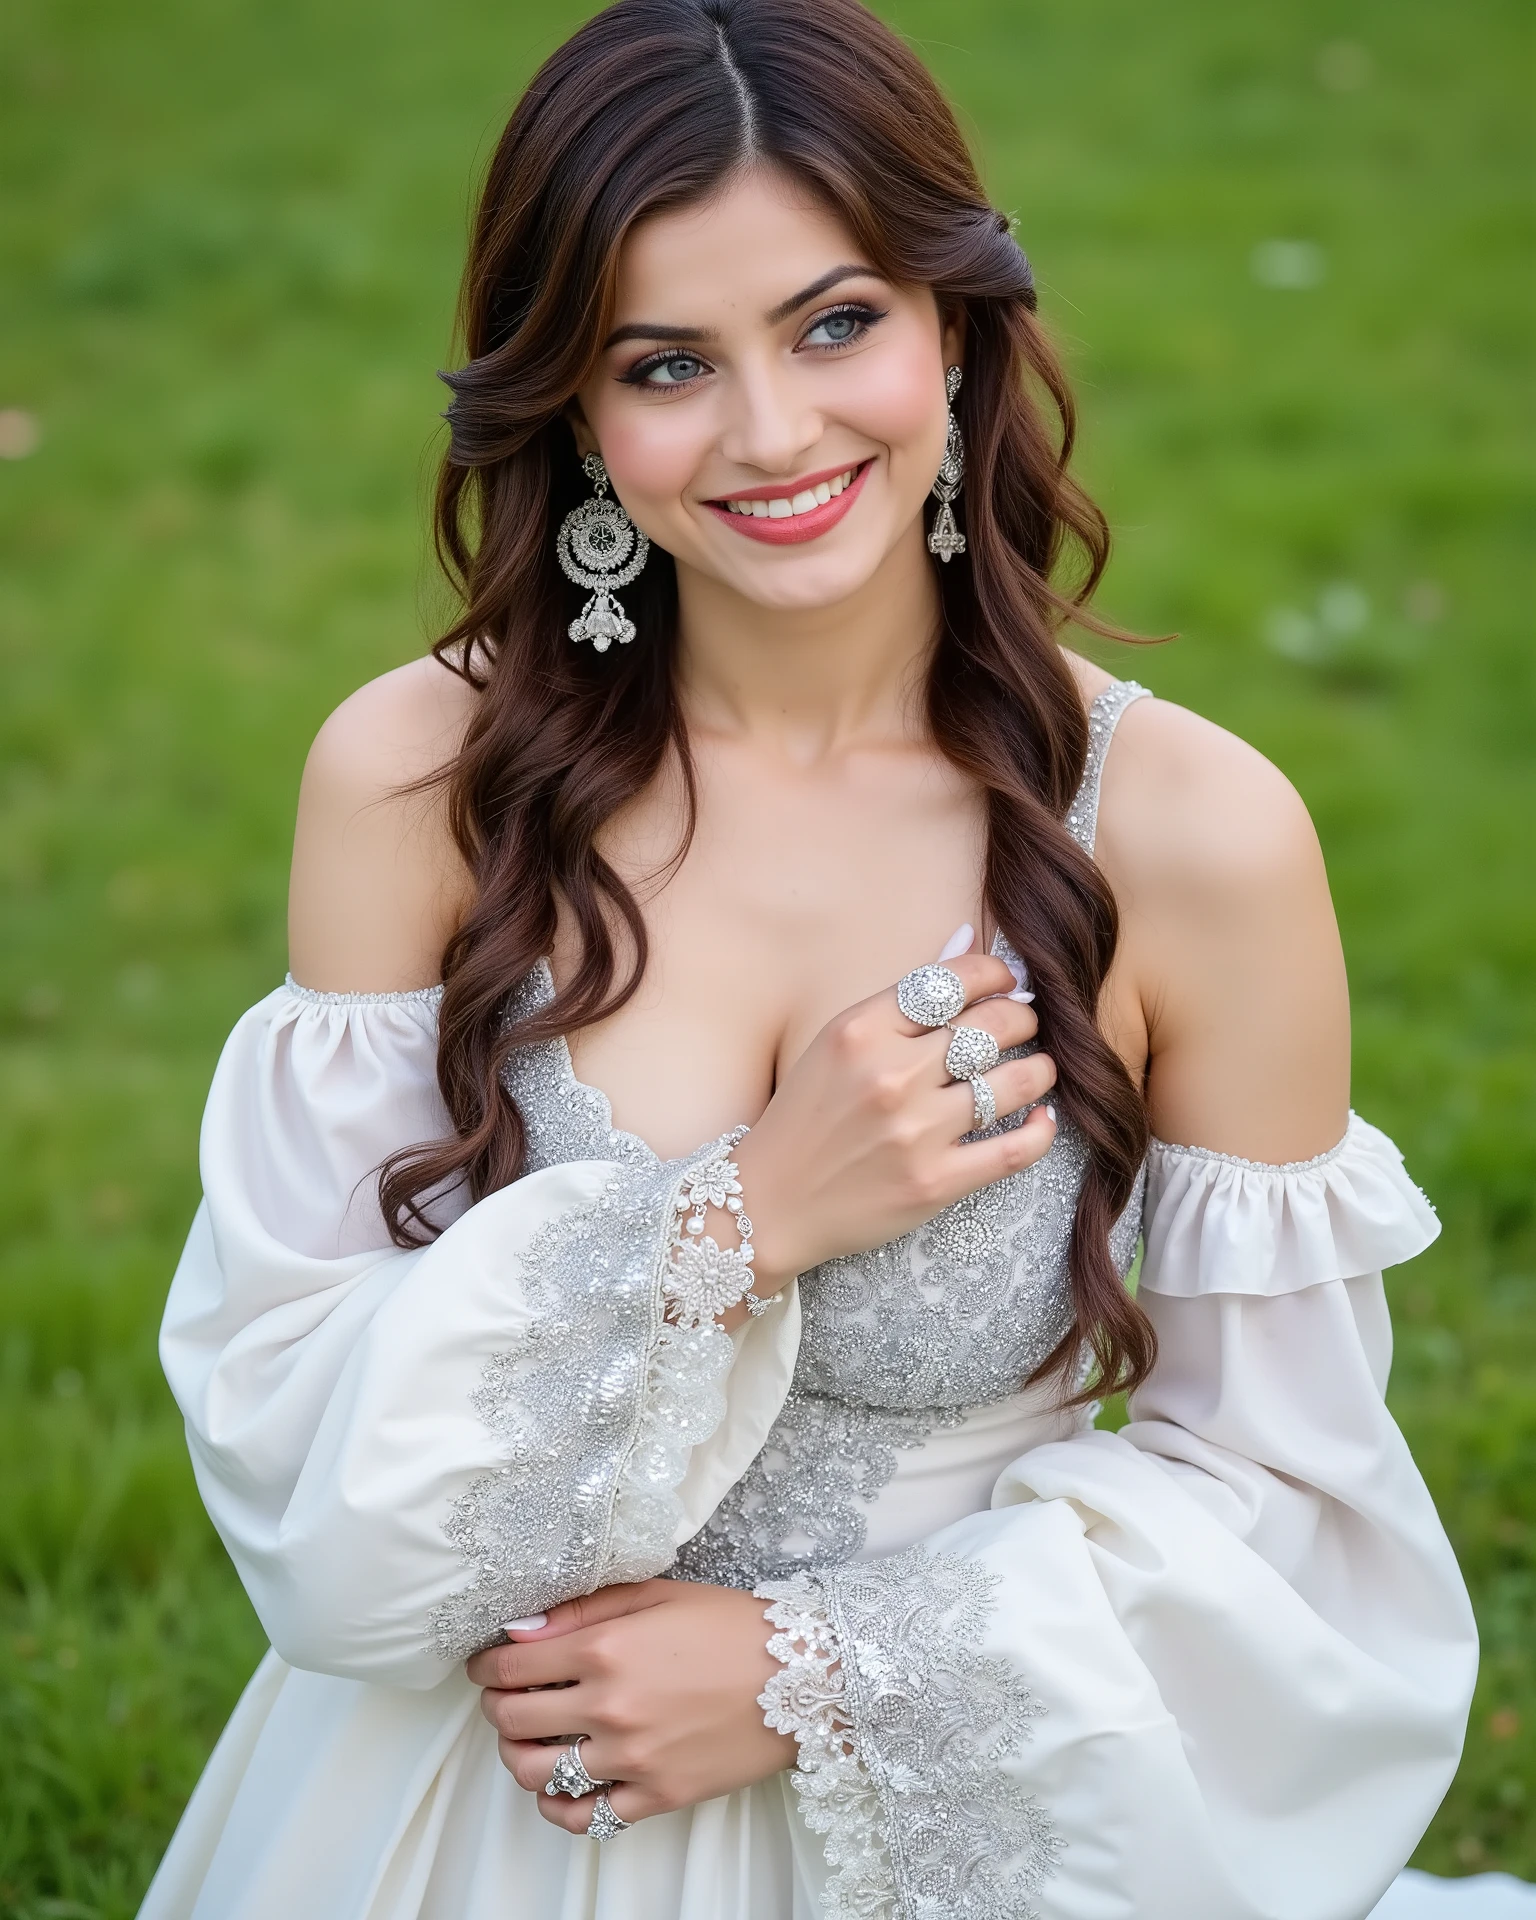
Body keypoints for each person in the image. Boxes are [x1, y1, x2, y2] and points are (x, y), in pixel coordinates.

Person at [141, 2, 1480, 1915]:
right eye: (667, 364)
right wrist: (740, 1218)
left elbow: (1301, 1536)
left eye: (837, 323)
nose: (772, 434)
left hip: (957, 1791)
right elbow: (293, 1460)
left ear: (958, 325)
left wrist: (803, 1677)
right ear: (577, 414)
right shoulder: (414, 783)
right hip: (475, 1801)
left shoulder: (1193, 840)